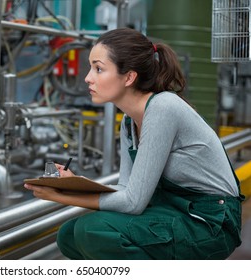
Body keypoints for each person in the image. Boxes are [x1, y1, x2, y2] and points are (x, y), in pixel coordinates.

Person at [24, 27, 244, 260]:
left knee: (92, 230)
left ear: (129, 77)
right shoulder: (129, 122)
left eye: (98, 69)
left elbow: (133, 203)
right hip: (175, 210)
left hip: (210, 222)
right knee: (68, 235)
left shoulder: (163, 108)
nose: (88, 77)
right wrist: (75, 184)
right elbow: (127, 189)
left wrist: (60, 196)